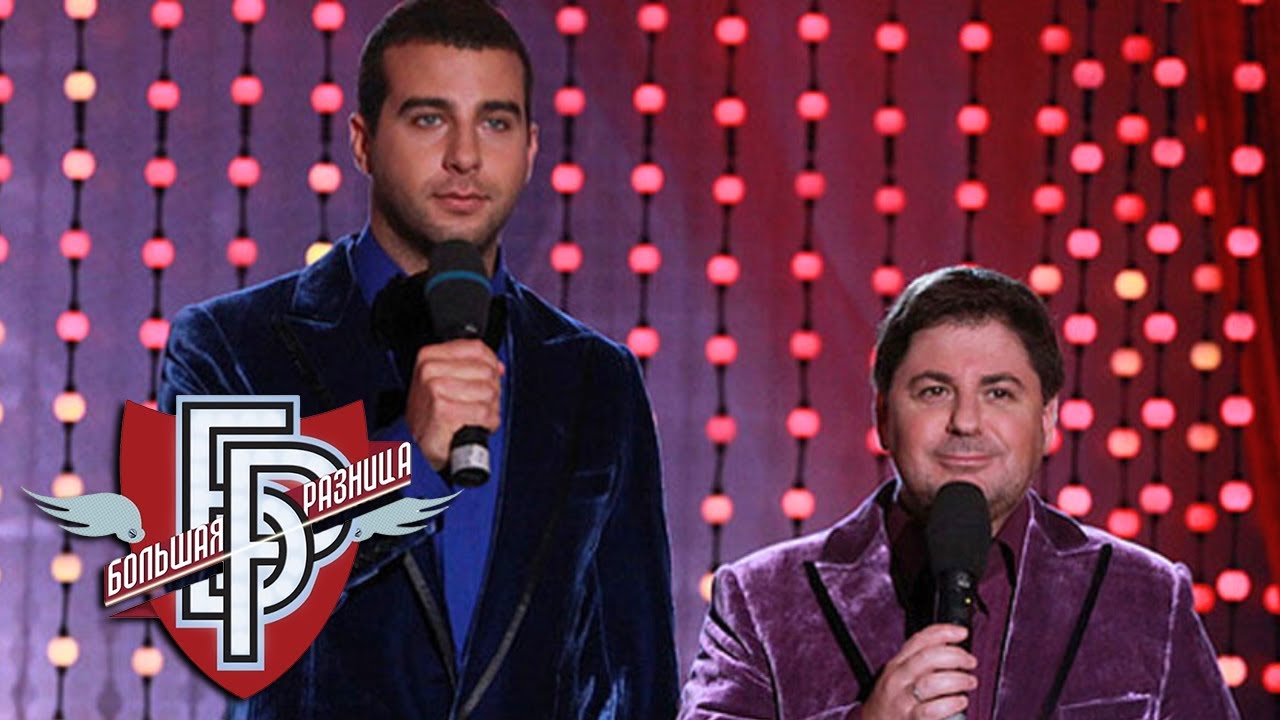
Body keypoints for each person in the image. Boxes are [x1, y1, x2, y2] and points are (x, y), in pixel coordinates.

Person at [158, 1, 677, 717]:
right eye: (430, 119)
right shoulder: (234, 346)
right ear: (363, 142)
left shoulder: (595, 378)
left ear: (531, 149)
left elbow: (634, 676)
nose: (465, 155)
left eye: (495, 123)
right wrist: (400, 464)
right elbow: (221, 602)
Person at [679, 266, 1240, 719]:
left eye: (999, 393)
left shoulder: (1145, 597)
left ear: (1047, 419)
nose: (966, 421)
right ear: (883, 416)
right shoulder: (763, 600)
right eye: (934, 391)